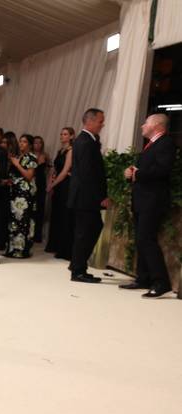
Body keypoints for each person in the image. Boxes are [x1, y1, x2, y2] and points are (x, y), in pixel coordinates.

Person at [121, 113, 176, 298]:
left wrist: (138, 174)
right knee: (141, 239)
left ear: (157, 125)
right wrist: (132, 173)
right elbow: (146, 170)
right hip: (143, 200)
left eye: (146, 123)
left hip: (153, 201)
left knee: (146, 239)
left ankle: (162, 282)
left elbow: (163, 169)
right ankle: (143, 278)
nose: (142, 126)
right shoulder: (151, 144)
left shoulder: (166, 142)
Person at [68, 108, 108, 283]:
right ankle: (78, 270)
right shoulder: (86, 142)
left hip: (84, 196)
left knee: (88, 230)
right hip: (86, 197)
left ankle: (77, 266)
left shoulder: (87, 140)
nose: (102, 124)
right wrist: (101, 197)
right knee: (85, 232)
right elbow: (88, 174)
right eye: (100, 121)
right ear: (89, 121)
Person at [5, 133, 37, 258]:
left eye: (24, 141)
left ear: (29, 144)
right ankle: (12, 248)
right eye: (20, 141)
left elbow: (29, 176)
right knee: (14, 220)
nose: (21, 143)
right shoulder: (17, 156)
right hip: (14, 191)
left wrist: (17, 164)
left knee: (23, 219)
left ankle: (22, 250)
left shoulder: (32, 157)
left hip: (25, 193)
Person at [45, 127, 74, 259]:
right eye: (61, 134)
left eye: (65, 134)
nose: (62, 136)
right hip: (58, 184)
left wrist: (52, 184)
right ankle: (54, 245)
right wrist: (51, 180)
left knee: (63, 216)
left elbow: (65, 171)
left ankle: (63, 248)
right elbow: (57, 169)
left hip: (66, 185)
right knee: (56, 214)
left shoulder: (71, 150)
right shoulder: (60, 150)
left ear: (72, 136)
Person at [31, 136, 49, 242]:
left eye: (40, 143)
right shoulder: (30, 156)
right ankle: (30, 233)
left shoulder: (45, 156)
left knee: (40, 208)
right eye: (35, 143)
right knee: (31, 208)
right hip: (31, 182)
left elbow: (48, 170)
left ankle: (38, 234)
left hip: (41, 183)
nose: (37, 145)